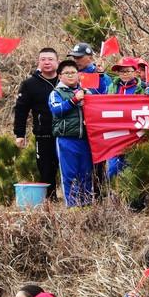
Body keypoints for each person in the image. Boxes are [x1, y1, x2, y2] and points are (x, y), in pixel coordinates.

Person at [13, 48, 61, 198]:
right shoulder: (30, 84)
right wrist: (20, 134)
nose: (47, 62)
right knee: (46, 171)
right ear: (39, 62)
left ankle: (73, 201)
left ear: (57, 62)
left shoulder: (66, 80)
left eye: (50, 59)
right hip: (44, 134)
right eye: (43, 59)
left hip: (67, 135)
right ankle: (50, 202)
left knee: (70, 169)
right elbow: (21, 110)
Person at [48, 59, 95, 206]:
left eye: (73, 72)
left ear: (79, 74)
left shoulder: (86, 91)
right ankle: (72, 206)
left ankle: (86, 204)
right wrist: (74, 100)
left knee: (86, 173)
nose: (70, 75)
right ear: (60, 75)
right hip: (66, 138)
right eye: (66, 73)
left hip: (85, 139)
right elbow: (56, 110)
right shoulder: (56, 93)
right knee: (69, 174)